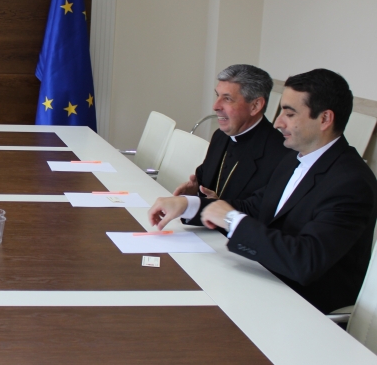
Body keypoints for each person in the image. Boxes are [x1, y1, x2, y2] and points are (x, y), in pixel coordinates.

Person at [149, 69, 377, 313]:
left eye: (289, 113)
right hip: (262, 280)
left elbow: (306, 260)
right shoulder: (294, 158)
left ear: (324, 119)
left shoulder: (352, 182)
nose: (277, 122)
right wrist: (188, 204)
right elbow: (254, 207)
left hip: (302, 308)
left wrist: (231, 219)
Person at [173, 64, 291, 202]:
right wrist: (196, 189)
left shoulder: (281, 154)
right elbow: (203, 176)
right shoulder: (220, 136)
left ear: (255, 106)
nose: (215, 106)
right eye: (217, 95)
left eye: (227, 98)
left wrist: (220, 208)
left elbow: (264, 209)